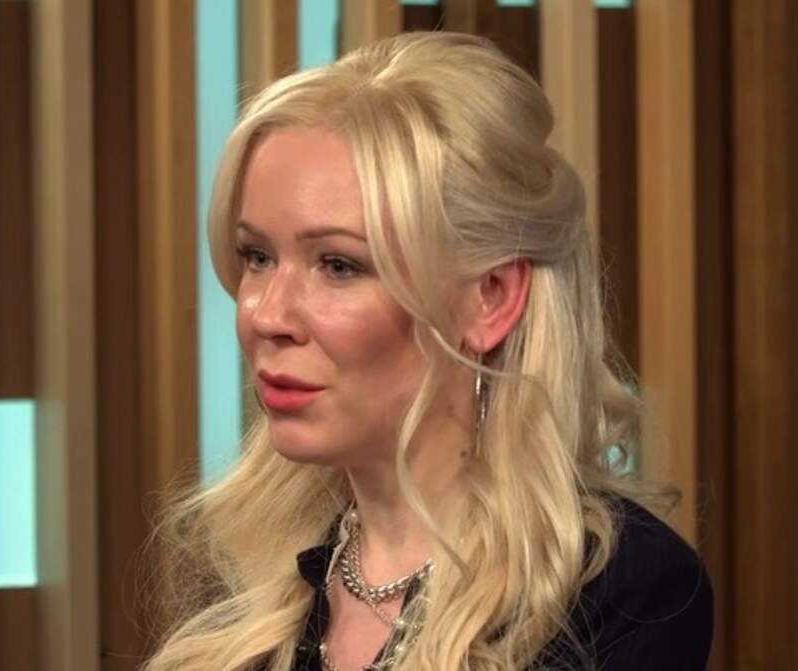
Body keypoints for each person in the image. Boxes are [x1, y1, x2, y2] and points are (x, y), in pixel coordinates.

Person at [141, 32, 713, 671]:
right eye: (257, 256)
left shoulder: (620, 593)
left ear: (489, 299)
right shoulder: (246, 577)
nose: (265, 316)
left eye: (338, 265)